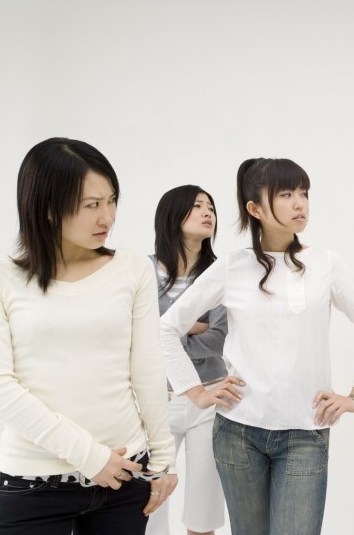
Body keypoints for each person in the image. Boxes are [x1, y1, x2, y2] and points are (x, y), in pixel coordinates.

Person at [159, 157, 354, 535]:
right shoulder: (233, 266)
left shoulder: (325, 264)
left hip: (306, 433)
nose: (300, 203)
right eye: (286, 194)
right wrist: (195, 392)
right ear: (255, 209)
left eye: (303, 193)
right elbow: (168, 328)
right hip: (237, 432)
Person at [0, 137, 177, 535]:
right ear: (48, 207)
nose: (107, 217)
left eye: (111, 201)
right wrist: (91, 457)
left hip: (125, 476)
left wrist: (164, 461)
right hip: (34, 483)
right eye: (91, 205)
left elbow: (147, 369)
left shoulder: (132, 269)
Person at [146, 185, 227, 535]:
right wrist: (194, 326)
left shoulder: (220, 272)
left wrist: (166, 331)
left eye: (211, 207)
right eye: (197, 206)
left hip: (210, 397)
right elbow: (139, 337)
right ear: (173, 214)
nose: (208, 212)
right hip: (153, 400)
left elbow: (218, 339)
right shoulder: (144, 271)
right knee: (148, 505)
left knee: (203, 510)